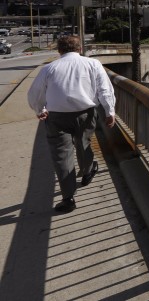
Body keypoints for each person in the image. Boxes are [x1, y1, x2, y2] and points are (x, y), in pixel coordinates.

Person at [28, 35, 116, 213]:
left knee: (61, 155)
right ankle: (87, 170)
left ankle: (68, 198)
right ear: (80, 49)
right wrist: (110, 111)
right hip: (85, 113)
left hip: (57, 117)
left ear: (59, 50)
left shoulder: (49, 68)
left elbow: (35, 93)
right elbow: (104, 89)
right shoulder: (93, 64)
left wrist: (39, 110)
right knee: (83, 143)